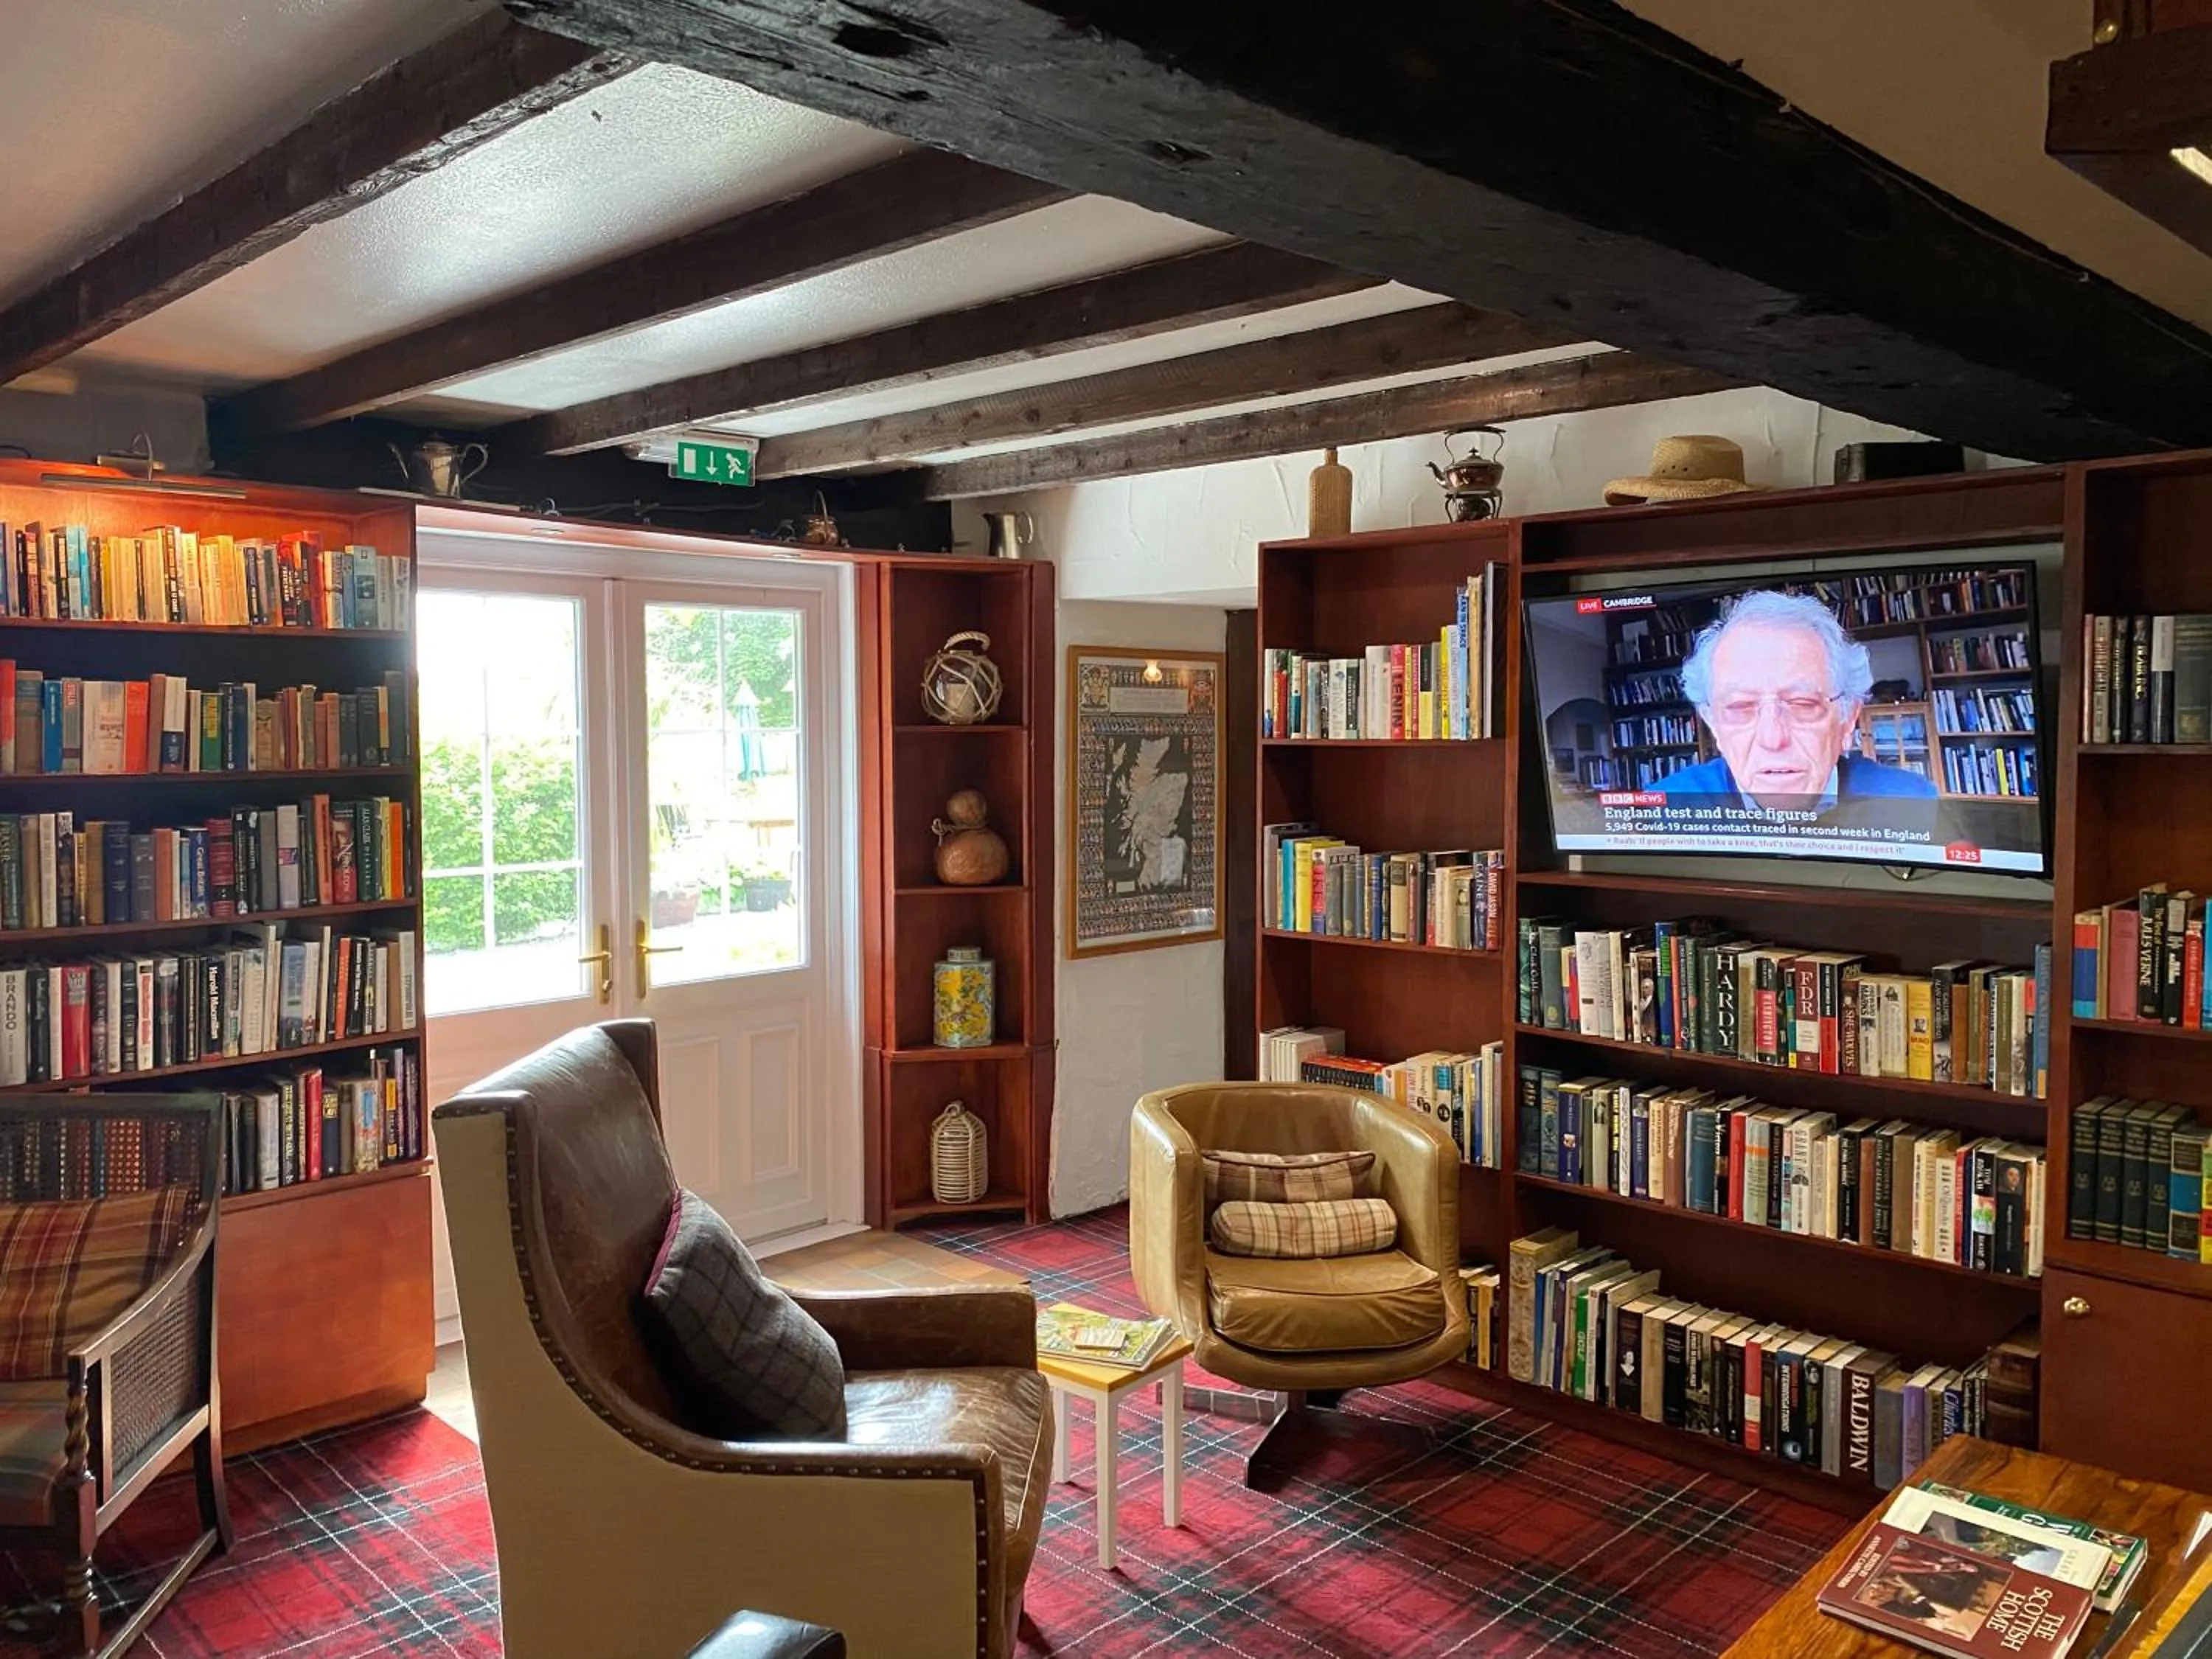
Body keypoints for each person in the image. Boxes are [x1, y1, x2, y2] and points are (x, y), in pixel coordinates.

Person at [1655, 589, 1939, 836]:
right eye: (1740, 707)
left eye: (1803, 704)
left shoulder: (1915, 805)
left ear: (1847, 719)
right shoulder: (1662, 810)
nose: (1773, 738)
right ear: (1714, 725)